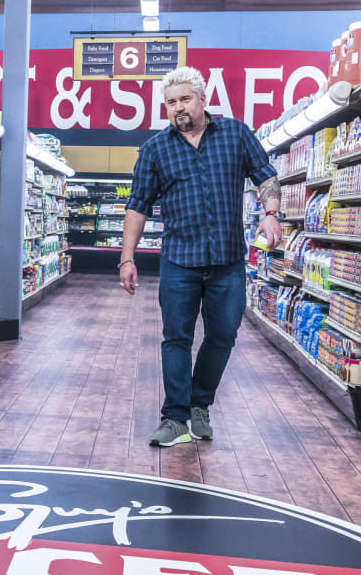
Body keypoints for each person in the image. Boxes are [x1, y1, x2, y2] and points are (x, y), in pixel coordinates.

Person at [119, 66, 281, 448]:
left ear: (203, 99)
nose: (178, 107)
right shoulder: (155, 149)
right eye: (170, 102)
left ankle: (199, 405)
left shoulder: (236, 134)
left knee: (223, 335)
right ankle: (175, 417)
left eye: (184, 99)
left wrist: (271, 213)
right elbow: (137, 205)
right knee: (176, 338)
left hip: (228, 261)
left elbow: (266, 175)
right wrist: (127, 258)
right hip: (179, 260)